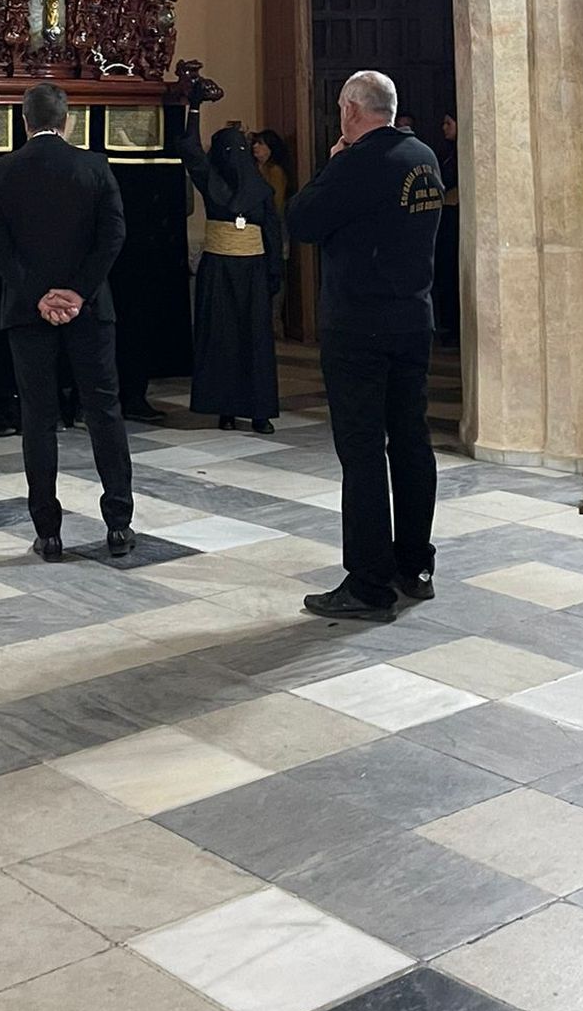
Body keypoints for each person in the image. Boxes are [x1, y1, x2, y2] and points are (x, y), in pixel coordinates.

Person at [286, 69, 443, 622]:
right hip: (412, 318)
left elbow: (301, 220)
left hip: (359, 325)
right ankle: (415, 565)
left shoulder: (358, 162)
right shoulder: (422, 155)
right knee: (410, 441)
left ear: (351, 111)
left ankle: (369, 584)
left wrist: (334, 164)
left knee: (362, 450)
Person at [0, 81, 134, 560]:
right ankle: (119, 525)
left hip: (28, 313)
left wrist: (38, 295)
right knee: (105, 412)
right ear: (67, 121)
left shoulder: (0, 172)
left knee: (38, 419)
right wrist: (80, 292)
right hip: (90, 311)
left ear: (23, 122)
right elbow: (113, 235)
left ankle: (48, 532)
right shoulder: (93, 166)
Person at [180, 110, 281, 431]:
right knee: (239, 340)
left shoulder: (219, 184)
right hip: (243, 270)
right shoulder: (252, 187)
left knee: (237, 341)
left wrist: (194, 110)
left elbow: (191, 150)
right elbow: (272, 235)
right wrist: (274, 272)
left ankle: (244, 409)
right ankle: (244, 411)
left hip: (229, 270)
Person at [434, 110, 460, 345]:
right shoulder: (446, 154)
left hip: (456, 220)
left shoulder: (462, 154)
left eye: (448, 123)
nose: (444, 127)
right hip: (447, 221)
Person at [251, 129, 296, 220]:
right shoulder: (253, 167)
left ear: (270, 147)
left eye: (260, 143)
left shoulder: (275, 170)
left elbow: (277, 201)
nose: (255, 146)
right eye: (255, 143)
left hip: (270, 218)